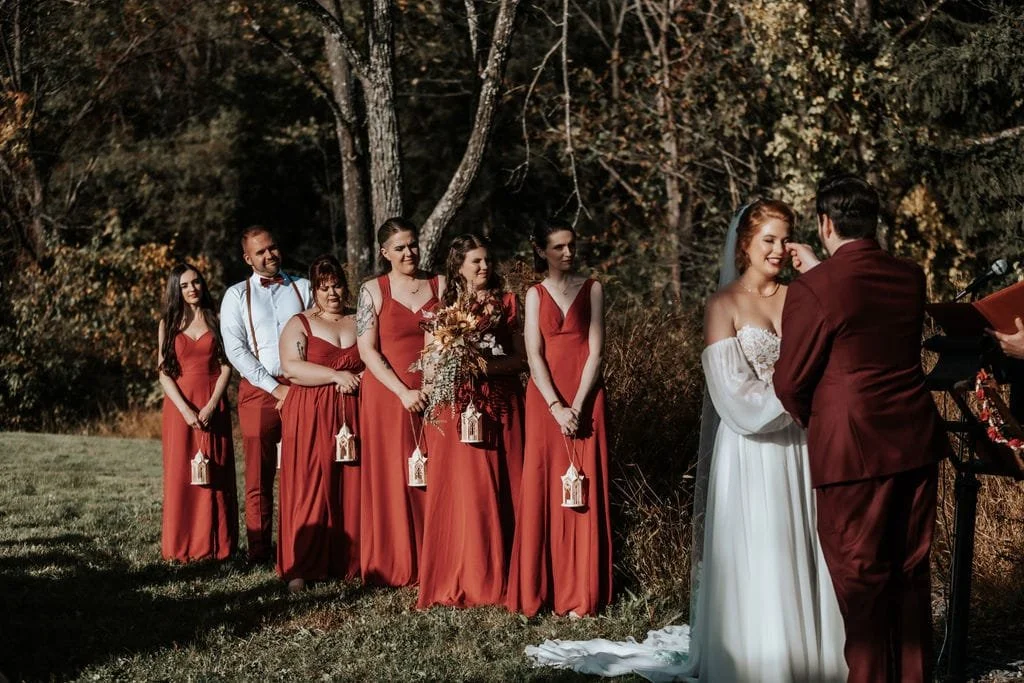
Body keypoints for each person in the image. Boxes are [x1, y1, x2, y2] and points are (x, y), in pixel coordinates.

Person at [524, 202, 847, 682]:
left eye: (786, 239)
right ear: (745, 245)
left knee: (804, 544)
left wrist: (821, 275)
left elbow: (840, 347)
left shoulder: (804, 298)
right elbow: (732, 394)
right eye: (769, 240)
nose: (780, 249)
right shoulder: (724, 305)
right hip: (752, 450)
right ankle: (766, 659)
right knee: (766, 550)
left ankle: (812, 655)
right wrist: (798, 398)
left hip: (802, 448)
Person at [775, 175, 951, 683]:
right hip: (915, 440)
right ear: (872, 222)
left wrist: (821, 419)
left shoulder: (813, 287)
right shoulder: (909, 276)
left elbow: (789, 381)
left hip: (851, 451)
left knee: (860, 576)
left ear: (825, 223)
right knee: (911, 572)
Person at [506, 219, 612, 618]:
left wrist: (579, 407)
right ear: (541, 251)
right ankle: (541, 590)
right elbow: (533, 354)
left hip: (587, 397)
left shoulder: (594, 288)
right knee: (543, 486)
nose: (568, 253)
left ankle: (582, 592)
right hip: (545, 402)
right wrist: (556, 407)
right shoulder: (534, 294)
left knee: (585, 487)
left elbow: (597, 351)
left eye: (571, 246)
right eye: (559, 248)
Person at [416, 234, 527, 609]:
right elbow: (430, 362)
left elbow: (520, 359)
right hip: (456, 406)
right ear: (458, 267)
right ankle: (461, 571)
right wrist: (434, 388)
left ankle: (503, 574)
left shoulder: (508, 304)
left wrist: (480, 367)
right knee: (464, 491)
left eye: (487, 260)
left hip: (499, 405)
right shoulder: (442, 309)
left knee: (498, 485)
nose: (484, 267)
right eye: (476, 262)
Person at [356, 217, 443, 587]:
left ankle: (436, 554)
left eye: (413, 244)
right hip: (389, 395)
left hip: (436, 391)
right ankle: (397, 560)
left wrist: (434, 386)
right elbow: (368, 351)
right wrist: (403, 391)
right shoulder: (372, 291)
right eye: (400, 247)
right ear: (384, 253)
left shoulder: (441, 284)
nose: (409, 252)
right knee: (395, 473)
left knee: (437, 470)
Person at [220, 226, 312, 562]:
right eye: (260, 252)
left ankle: (297, 545)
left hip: (301, 386)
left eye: (272, 248)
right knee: (258, 475)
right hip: (258, 391)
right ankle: (259, 551)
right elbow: (236, 350)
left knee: (299, 471)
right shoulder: (236, 295)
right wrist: (275, 389)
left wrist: (297, 385)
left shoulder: (304, 288)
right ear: (248, 258)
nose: (269, 255)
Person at [276, 254, 364, 592]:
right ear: (314, 290)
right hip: (311, 413)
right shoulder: (300, 323)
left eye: (337, 285)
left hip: (354, 412)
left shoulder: (360, 319)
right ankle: (302, 564)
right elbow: (292, 367)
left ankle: (349, 559)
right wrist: (334, 374)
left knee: (351, 484)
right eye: (324, 288)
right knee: (311, 484)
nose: (332, 293)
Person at [158, 263, 238, 562]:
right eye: (185, 285)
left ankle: (217, 547)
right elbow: (164, 372)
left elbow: (227, 366)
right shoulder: (168, 323)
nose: (192, 289)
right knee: (181, 472)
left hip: (211, 401)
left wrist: (210, 404)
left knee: (215, 471)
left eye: (196, 283)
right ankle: (181, 546)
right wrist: (185, 410)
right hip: (179, 407)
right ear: (176, 291)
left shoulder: (216, 320)